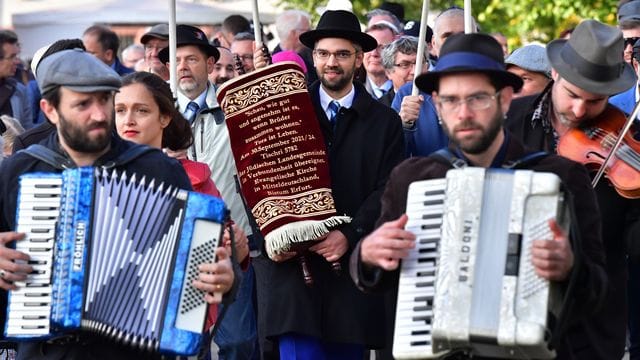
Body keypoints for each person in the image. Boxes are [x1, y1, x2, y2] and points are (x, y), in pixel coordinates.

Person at [352, 32, 607, 359]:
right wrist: (367, 254)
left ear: (503, 99)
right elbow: (380, 281)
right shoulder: (413, 178)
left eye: (477, 98)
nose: (464, 113)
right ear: (437, 105)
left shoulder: (560, 177)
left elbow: (598, 290)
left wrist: (571, 269)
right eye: (451, 100)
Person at [0, 49, 235, 359]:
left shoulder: (157, 169)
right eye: (83, 104)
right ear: (50, 109)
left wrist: (224, 278)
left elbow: (200, 272)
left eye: (103, 100)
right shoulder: (20, 169)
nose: (99, 114)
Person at [253, 9, 405, 359]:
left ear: (359, 59)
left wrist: (349, 234)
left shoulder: (385, 122)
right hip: (294, 276)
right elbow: (256, 177)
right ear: (314, 57)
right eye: (323, 54)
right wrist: (274, 235)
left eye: (341, 54)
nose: (331, 62)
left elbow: (389, 190)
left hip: (350, 279)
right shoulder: (285, 112)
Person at [506, 19, 639, 359]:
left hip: (591, 319)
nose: (580, 110)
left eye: (595, 102)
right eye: (573, 95)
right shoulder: (508, 120)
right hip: (510, 304)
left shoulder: (630, 138)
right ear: (555, 73)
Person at [159, 24, 257, 360]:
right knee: (187, 344)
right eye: (176, 60)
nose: (183, 66)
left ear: (210, 64)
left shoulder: (236, 110)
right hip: (172, 245)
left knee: (239, 341)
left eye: (191, 59)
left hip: (228, 241)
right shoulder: (156, 114)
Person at [391, 7, 478, 157]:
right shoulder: (409, 93)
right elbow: (390, 159)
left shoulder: (494, 87)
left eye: (463, 35)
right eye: (447, 36)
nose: (456, 42)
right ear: (433, 44)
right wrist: (403, 125)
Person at [272, 9, 317, 84]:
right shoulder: (273, 64)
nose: (311, 33)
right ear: (293, 33)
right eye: (308, 30)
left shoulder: (309, 54)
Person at [0, 31, 31, 130]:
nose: (17, 61)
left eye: (17, 56)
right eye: (12, 57)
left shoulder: (19, 90)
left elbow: (27, 130)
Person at [362, 21, 398, 100]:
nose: (374, 53)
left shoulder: (407, 91)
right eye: (369, 47)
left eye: (382, 47)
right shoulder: (350, 91)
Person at [380, 36, 419, 107]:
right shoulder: (379, 108)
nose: (414, 71)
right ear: (388, 72)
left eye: (419, 63)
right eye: (405, 65)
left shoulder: (438, 100)